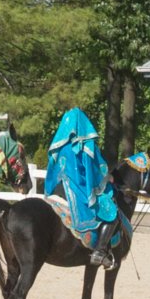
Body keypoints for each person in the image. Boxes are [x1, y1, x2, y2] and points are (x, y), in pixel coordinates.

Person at [44, 107, 118, 269]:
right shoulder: (86, 145)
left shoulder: (59, 146)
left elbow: (52, 170)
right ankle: (99, 252)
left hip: (58, 189)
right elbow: (96, 169)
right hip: (77, 189)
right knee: (111, 213)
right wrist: (107, 177)